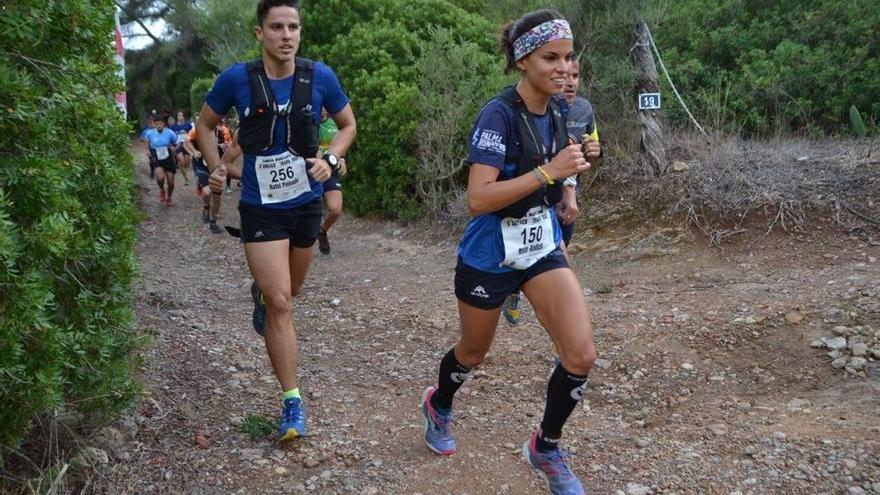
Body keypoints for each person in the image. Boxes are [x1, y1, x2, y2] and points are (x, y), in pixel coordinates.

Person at [419, 10, 597, 495]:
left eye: (568, 57)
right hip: (490, 248)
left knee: (580, 353)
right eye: (550, 58)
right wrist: (549, 173)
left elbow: (558, 168)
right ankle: (440, 402)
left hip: (539, 245)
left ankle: (546, 446)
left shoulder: (562, 110)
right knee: (474, 352)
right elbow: (478, 198)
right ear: (523, 60)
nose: (564, 69)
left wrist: (572, 175)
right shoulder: (497, 113)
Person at [196, 0, 356, 441]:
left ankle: (263, 296)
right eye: (277, 27)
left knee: (290, 293)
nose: (287, 35)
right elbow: (205, 125)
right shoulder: (237, 79)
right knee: (282, 302)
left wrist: (330, 157)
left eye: (294, 27)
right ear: (259, 33)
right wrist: (215, 167)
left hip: (305, 205)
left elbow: (347, 126)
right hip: (260, 207)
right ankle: (292, 402)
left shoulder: (319, 76)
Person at [503, 57, 602, 326]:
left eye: (576, 76)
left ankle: (565, 339)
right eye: (564, 76)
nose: (569, 82)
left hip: (563, 197)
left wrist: (595, 152)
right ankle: (518, 293)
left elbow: (590, 149)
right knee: (547, 263)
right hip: (532, 201)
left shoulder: (583, 109)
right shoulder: (534, 110)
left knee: (556, 256)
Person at [185, 125, 231, 233]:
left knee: (216, 197)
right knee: (207, 192)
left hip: (216, 165)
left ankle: (213, 222)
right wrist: (194, 151)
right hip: (201, 164)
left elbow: (230, 144)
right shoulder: (197, 128)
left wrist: (225, 146)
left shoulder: (223, 130)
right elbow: (187, 141)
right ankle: (206, 207)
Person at [316, 107, 348, 255]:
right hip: (310, 172)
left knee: (335, 209)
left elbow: (342, 142)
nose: (322, 111)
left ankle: (322, 231)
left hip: (330, 170)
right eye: (319, 107)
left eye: (325, 108)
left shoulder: (334, 123)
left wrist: (341, 159)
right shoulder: (308, 122)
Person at [143, 114, 179, 206]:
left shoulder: (170, 133)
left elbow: (176, 143)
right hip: (156, 156)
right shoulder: (150, 133)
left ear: (164, 124)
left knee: (170, 182)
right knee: (160, 177)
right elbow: (146, 141)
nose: (159, 125)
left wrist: (175, 149)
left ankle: (169, 198)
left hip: (168, 156)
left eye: (161, 123)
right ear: (154, 124)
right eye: (157, 124)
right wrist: (147, 150)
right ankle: (162, 190)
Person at [171, 111, 195, 185]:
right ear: (177, 117)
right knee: (182, 161)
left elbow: (192, 134)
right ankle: (186, 178)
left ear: (184, 117)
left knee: (186, 163)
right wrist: (172, 146)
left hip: (187, 145)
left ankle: (182, 167)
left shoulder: (188, 125)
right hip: (178, 146)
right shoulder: (174, 126)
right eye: (178, 115)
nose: (180, 117)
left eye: (181, 115)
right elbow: (171, 137)